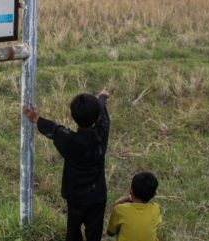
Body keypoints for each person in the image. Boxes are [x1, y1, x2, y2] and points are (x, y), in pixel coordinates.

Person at [22, 89, 111, 241]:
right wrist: (102, 97)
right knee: (94, 233)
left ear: (73, 116)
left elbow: (54, 129)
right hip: (97, 196)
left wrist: (36, 118)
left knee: (73, 231)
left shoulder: (68, 140)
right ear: (98, 119)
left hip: (75, 196)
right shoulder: (102, 133)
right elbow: (102, 112)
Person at [106, 172, 162, 241]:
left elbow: (110, 233)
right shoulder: (156, 209)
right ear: (154, 195)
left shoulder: (120, 209)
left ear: (131, 191)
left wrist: (116, 204)